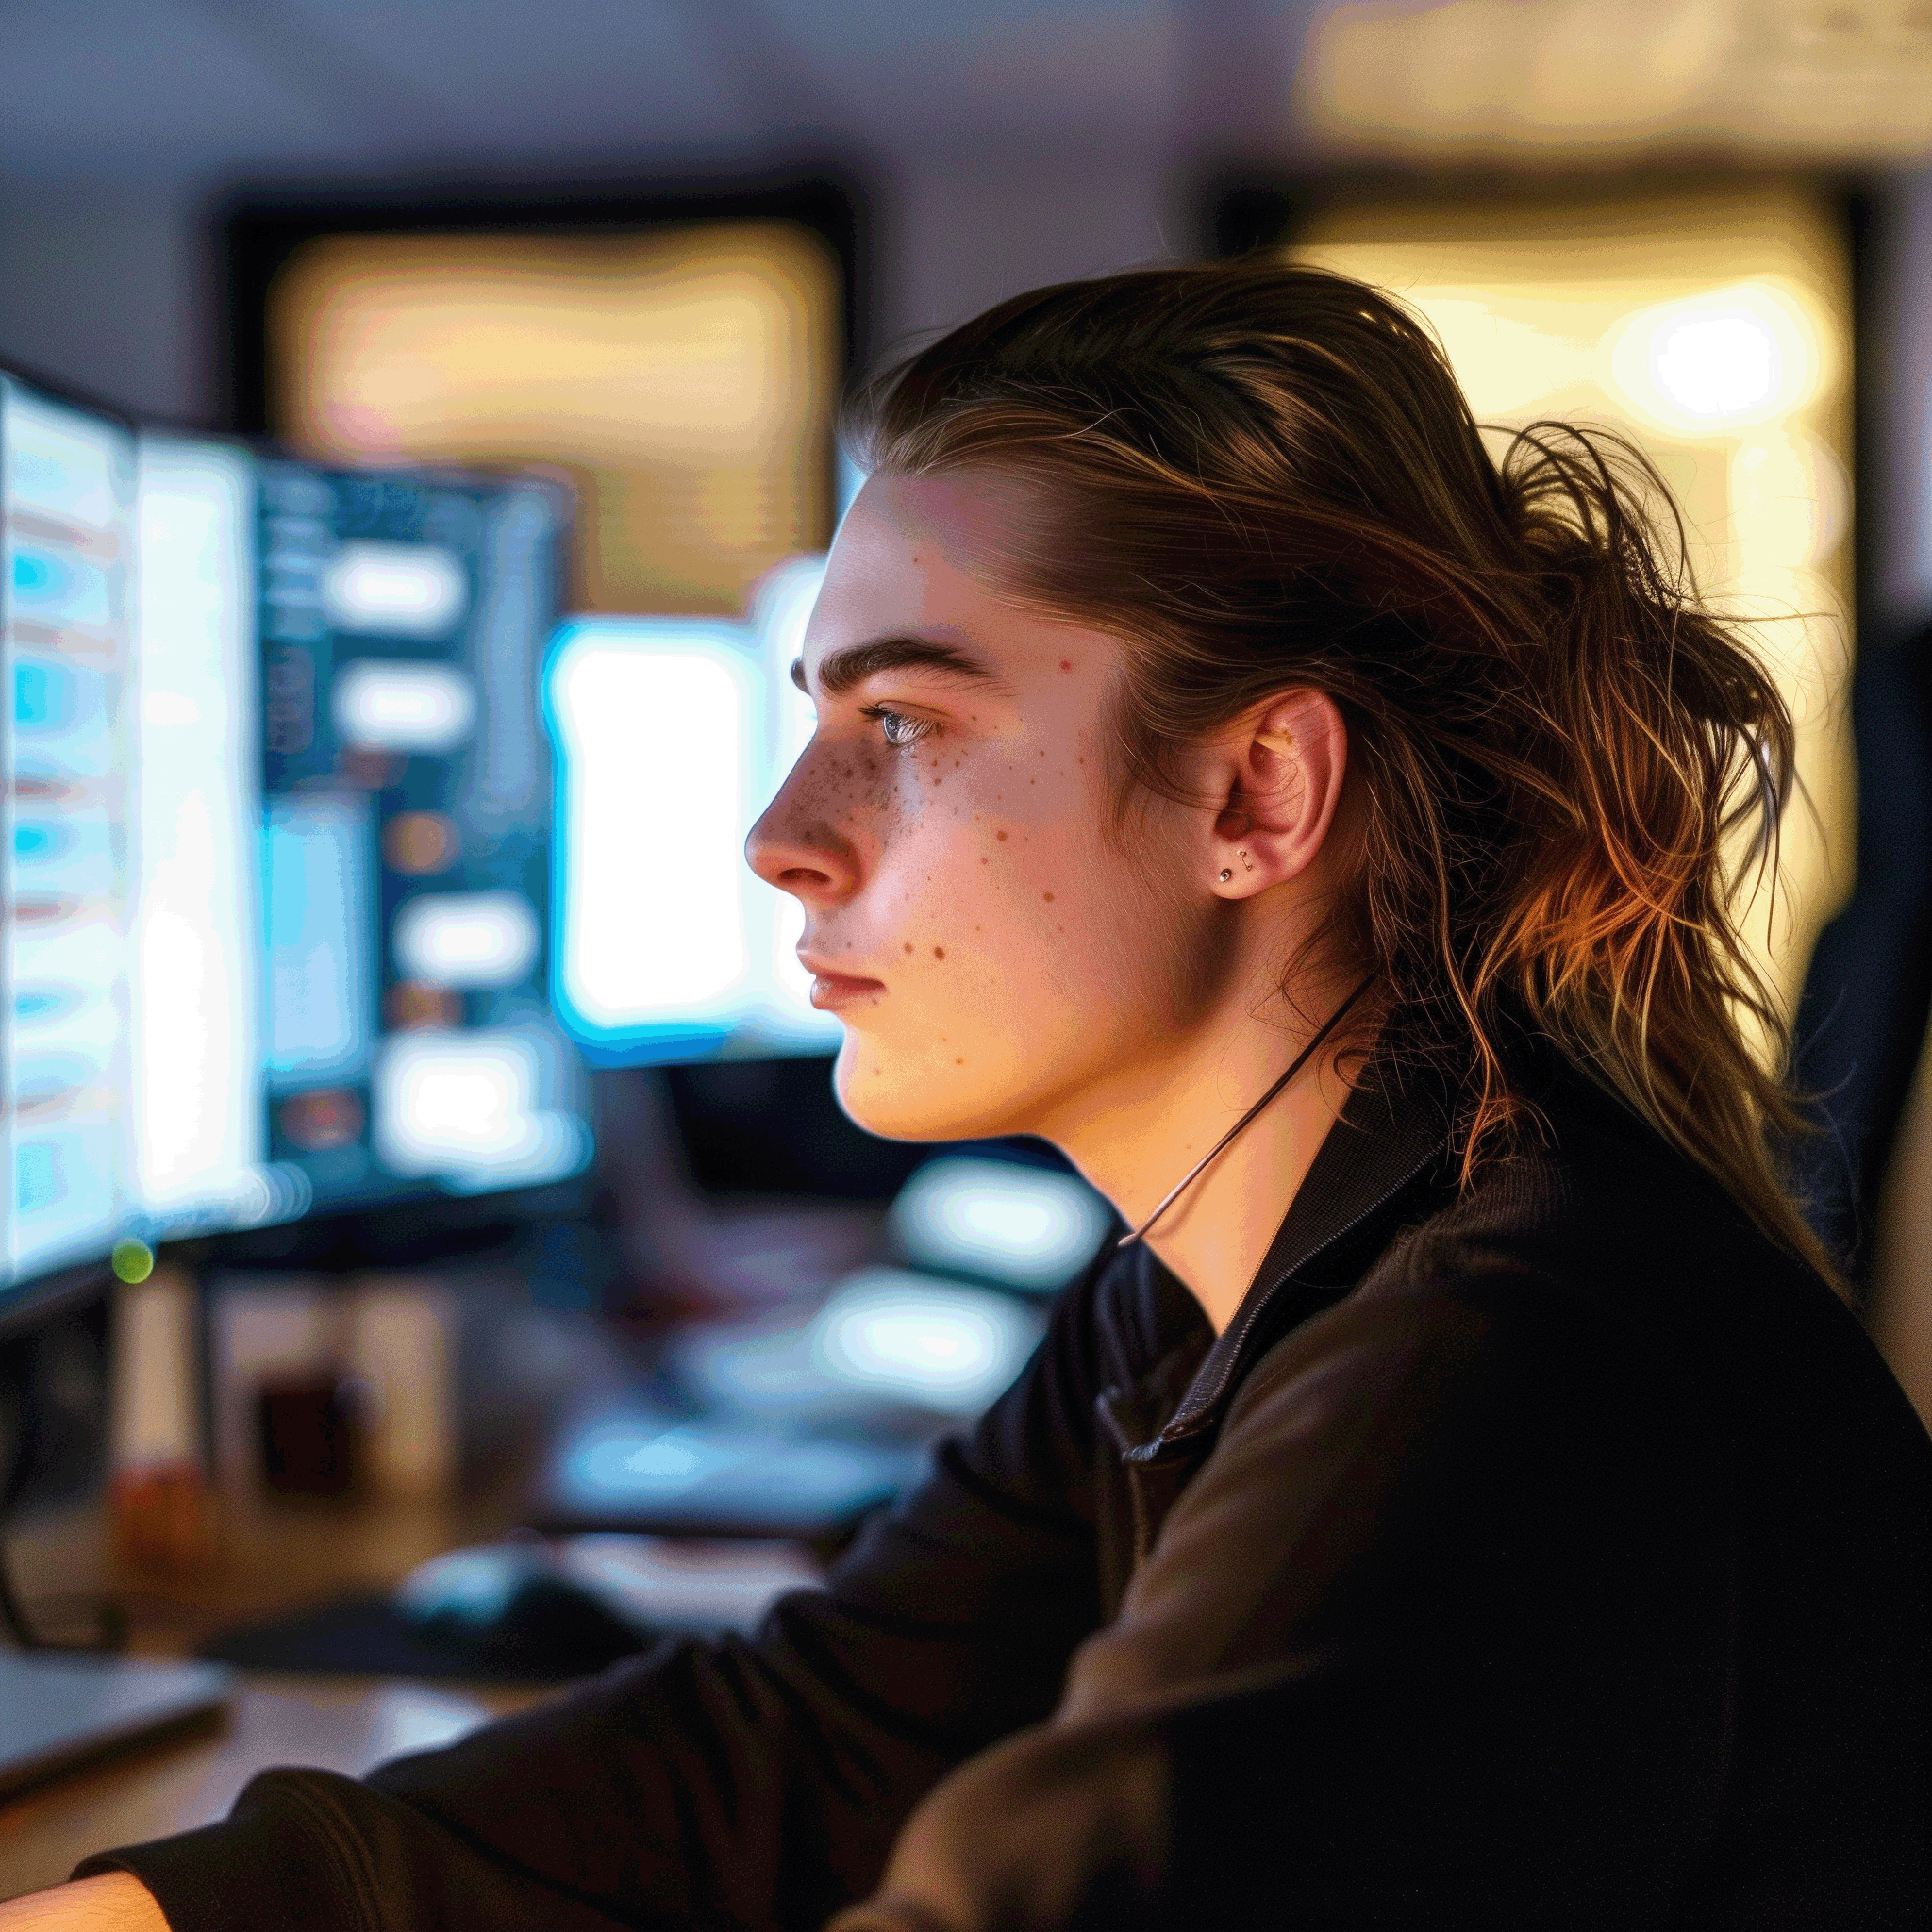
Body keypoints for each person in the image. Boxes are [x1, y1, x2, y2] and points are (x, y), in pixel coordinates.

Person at [12, 260, 1930, 1931]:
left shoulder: (1487, 1371)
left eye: (905, 725)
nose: (781, 837)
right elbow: (805, 1745)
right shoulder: (1222, 1284)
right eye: (815, 722)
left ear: (1256, 793)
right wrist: (144, 1910)